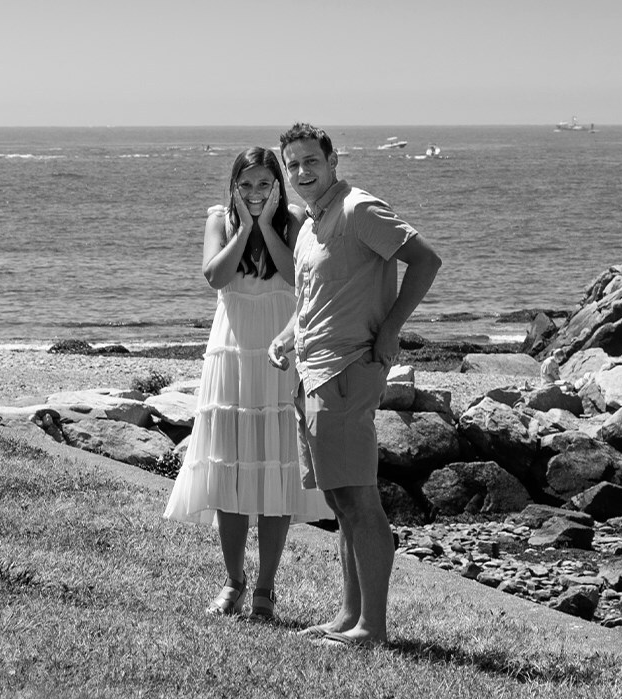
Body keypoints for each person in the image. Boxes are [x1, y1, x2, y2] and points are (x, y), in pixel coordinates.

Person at [269, 123, 442, 647]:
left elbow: (426, 259)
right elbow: (313, 298)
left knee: (360, 501)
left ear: (333, 161)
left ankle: (373, 628)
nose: (302, 171)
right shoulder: (311, 223)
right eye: (293, 164)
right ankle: (350, 617)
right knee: (341, 501)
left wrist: (391, 329)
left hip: (347, 369)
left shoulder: (358, 209)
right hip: (314, 370)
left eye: (311, 161)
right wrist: (288, 337)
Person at [165, 146, 332, 619]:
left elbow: (296, 278)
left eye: (263, 184)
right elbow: (215, 276)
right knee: (231, 468)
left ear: (277, 184)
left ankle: (264, 589)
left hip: (279, 353)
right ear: (234, 187)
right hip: (232, 352)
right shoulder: (219, 220)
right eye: (246, 185)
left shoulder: (295, 221)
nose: (255, 193)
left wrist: (267, 225)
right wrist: (243, 228)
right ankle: (233, 581)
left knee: (278, 466)